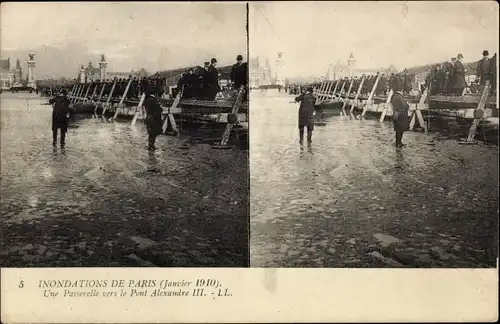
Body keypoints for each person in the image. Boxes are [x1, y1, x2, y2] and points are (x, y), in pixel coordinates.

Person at [391, 83, 410, 148]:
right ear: (400, 90)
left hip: (396, 115)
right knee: (400, 130)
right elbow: (404, 106)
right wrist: (407, 104)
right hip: (401, 116)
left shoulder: (394, 96)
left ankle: (398, 142)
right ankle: (399, 143)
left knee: (398, 130)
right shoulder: (399, 97)